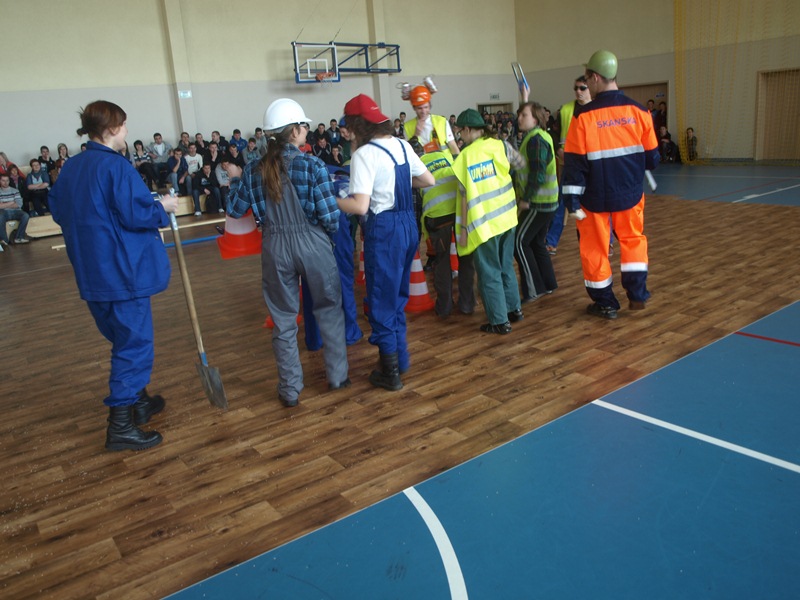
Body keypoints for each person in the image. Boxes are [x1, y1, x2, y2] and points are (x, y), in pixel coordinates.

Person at [49, 100, 180, 451]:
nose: (126, 131)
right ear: (110, 129)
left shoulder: (71, 167)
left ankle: (139, 402)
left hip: (92, 272)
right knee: (134, 345)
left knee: (123, 339)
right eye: (123, 125)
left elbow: (59, 211)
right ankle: (120, 425)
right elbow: (136, 214)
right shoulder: (115, 167)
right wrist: (162, 207)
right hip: (122, 273)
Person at [225, 98, 349, 407]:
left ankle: (290, 390)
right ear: (294, 131)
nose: (307, 130)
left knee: (283, 320)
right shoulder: (312, 165)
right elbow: (331, 217)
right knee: (329, 310)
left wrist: (235, 180)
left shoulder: (253, 169)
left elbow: (235, 209)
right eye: (304, 125)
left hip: (275, 247)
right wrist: (323, 239)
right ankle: (337, 377)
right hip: (313, 244)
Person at [336, 94, 434, 391]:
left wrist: (331, 200)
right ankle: (399, 360)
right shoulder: (402, 145)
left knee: (380, 299)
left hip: (385, 231)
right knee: (397, 297)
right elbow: (428, 180)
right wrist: (395, 184)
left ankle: (390, 372)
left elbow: (360, 206)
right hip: (408, 226)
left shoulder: (364, 155)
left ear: (357, 125)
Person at [562, 50, 659, 320]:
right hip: (630, 195)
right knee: (633, 242)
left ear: (595, 77)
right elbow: (653, 159)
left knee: (594, 249)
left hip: (593, 200)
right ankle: (637, 294)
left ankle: (606, 303)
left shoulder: (582, 118)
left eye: (586, 80)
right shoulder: (640, 112)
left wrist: (571, 201)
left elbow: (574, 166)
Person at [452, 109, 524, 335]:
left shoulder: (464, 157)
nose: (460, 136)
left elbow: (463, 197)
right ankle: (514, 310)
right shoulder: (501, 145)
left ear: (467, 129)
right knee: (506, 266)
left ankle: (499, 321)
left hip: (484, 224)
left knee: (489, 272)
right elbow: (521, 164)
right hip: (508, 217)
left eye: (460, 132)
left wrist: (463, 231)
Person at [419, 144, 475, 318]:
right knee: (465, 258)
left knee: (442, 261)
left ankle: (444, 307)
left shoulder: (417, 164)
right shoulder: (447, 157)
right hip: (459, 211)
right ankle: (467, 304)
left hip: (437, 216)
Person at [513, 101, 559, 302]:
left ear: (536, 119)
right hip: (547, 201)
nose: (519, 118)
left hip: (538, 203)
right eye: (519, 114)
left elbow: (538, 174)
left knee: (519, 242)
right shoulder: (537, 136)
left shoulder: (536, 140)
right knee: (537, 242)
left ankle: (533, 289)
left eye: (524, 115)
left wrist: (526, 199)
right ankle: (548, 284)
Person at [546, 75, 591, 256]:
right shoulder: (566, 110)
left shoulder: (598, 109)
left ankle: (606, 241)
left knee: (596, 205)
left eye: (582, 88)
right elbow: (554, 132)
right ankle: (551, 241)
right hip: (569, 165)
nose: (578, 92)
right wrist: (558, 149)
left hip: (592, 166)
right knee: (562, 203)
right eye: (576, 88)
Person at [403, 86, 460, 159]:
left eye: (426, 107)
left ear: (430, 106)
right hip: (423, 165)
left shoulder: (441, 121)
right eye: (420, 108)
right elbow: (407, 154)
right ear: (414, 108)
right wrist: (416, 134)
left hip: (444, 164)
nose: (423, 111)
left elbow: (453, 146)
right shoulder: (407, 127)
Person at [0, 173, 31, 248]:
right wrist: (11, 202)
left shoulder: (15, 190)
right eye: (3, 180)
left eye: (7, 180)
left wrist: (4, 204)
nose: (5, 182)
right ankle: (4, 240)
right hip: (3, 212)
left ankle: (19, 237)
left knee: (25, 215)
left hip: (16, 211)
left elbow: (19, 204)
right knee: (0, 217)